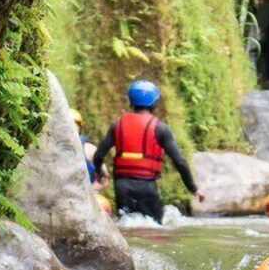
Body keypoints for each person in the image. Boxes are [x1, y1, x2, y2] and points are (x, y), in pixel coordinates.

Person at [93, 80, 205, 223]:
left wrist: (100, 172)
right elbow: (180, 162)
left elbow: (98, 156)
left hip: (122, 187)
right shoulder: (161, 128)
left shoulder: (117, 124)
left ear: (131, 101)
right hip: (147, 187)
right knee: (153, 228)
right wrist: (193, 189)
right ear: (154, 102)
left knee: (128, 225)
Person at [72, 108, 109, 192]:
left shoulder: (89, 149)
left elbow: (103, 181)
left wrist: (89, 193)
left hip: (86, 195)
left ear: (79, 129)